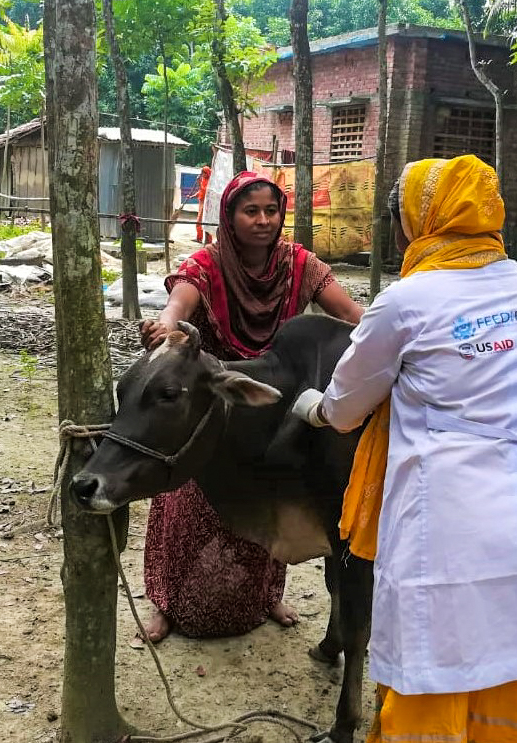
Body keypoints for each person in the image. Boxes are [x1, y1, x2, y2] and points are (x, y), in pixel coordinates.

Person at [291, 155, 517, 742]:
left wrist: (311, 406)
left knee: (445, 652)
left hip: (457, 520)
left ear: (416, 222)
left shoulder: (405, 300)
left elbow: (344, 409)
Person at [138, 171, 364, 642]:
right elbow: (178, 303)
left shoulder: (299, 263)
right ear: (230, 216)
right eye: (251, 211)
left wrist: (396, 336)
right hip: (213, 394)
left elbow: (349, 314)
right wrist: (166, 325)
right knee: (187, 497)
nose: (263, 220)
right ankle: (164, 600)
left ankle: (267, 595)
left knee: (269, 492)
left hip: (270, 399)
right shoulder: (208, 262)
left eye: (271, 211)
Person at [194, 165, 212, 244]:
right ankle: (199, 238)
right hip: (201, 201)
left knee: (201, 221)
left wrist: (199, 183)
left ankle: (207, 240)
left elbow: (205, 190)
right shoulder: (203, 180)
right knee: (199, 221)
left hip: (206, 202)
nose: (202, 174)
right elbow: (201, 191)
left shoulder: (210, 181)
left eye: (204, 173)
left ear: (207, 173)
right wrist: (193, 196)